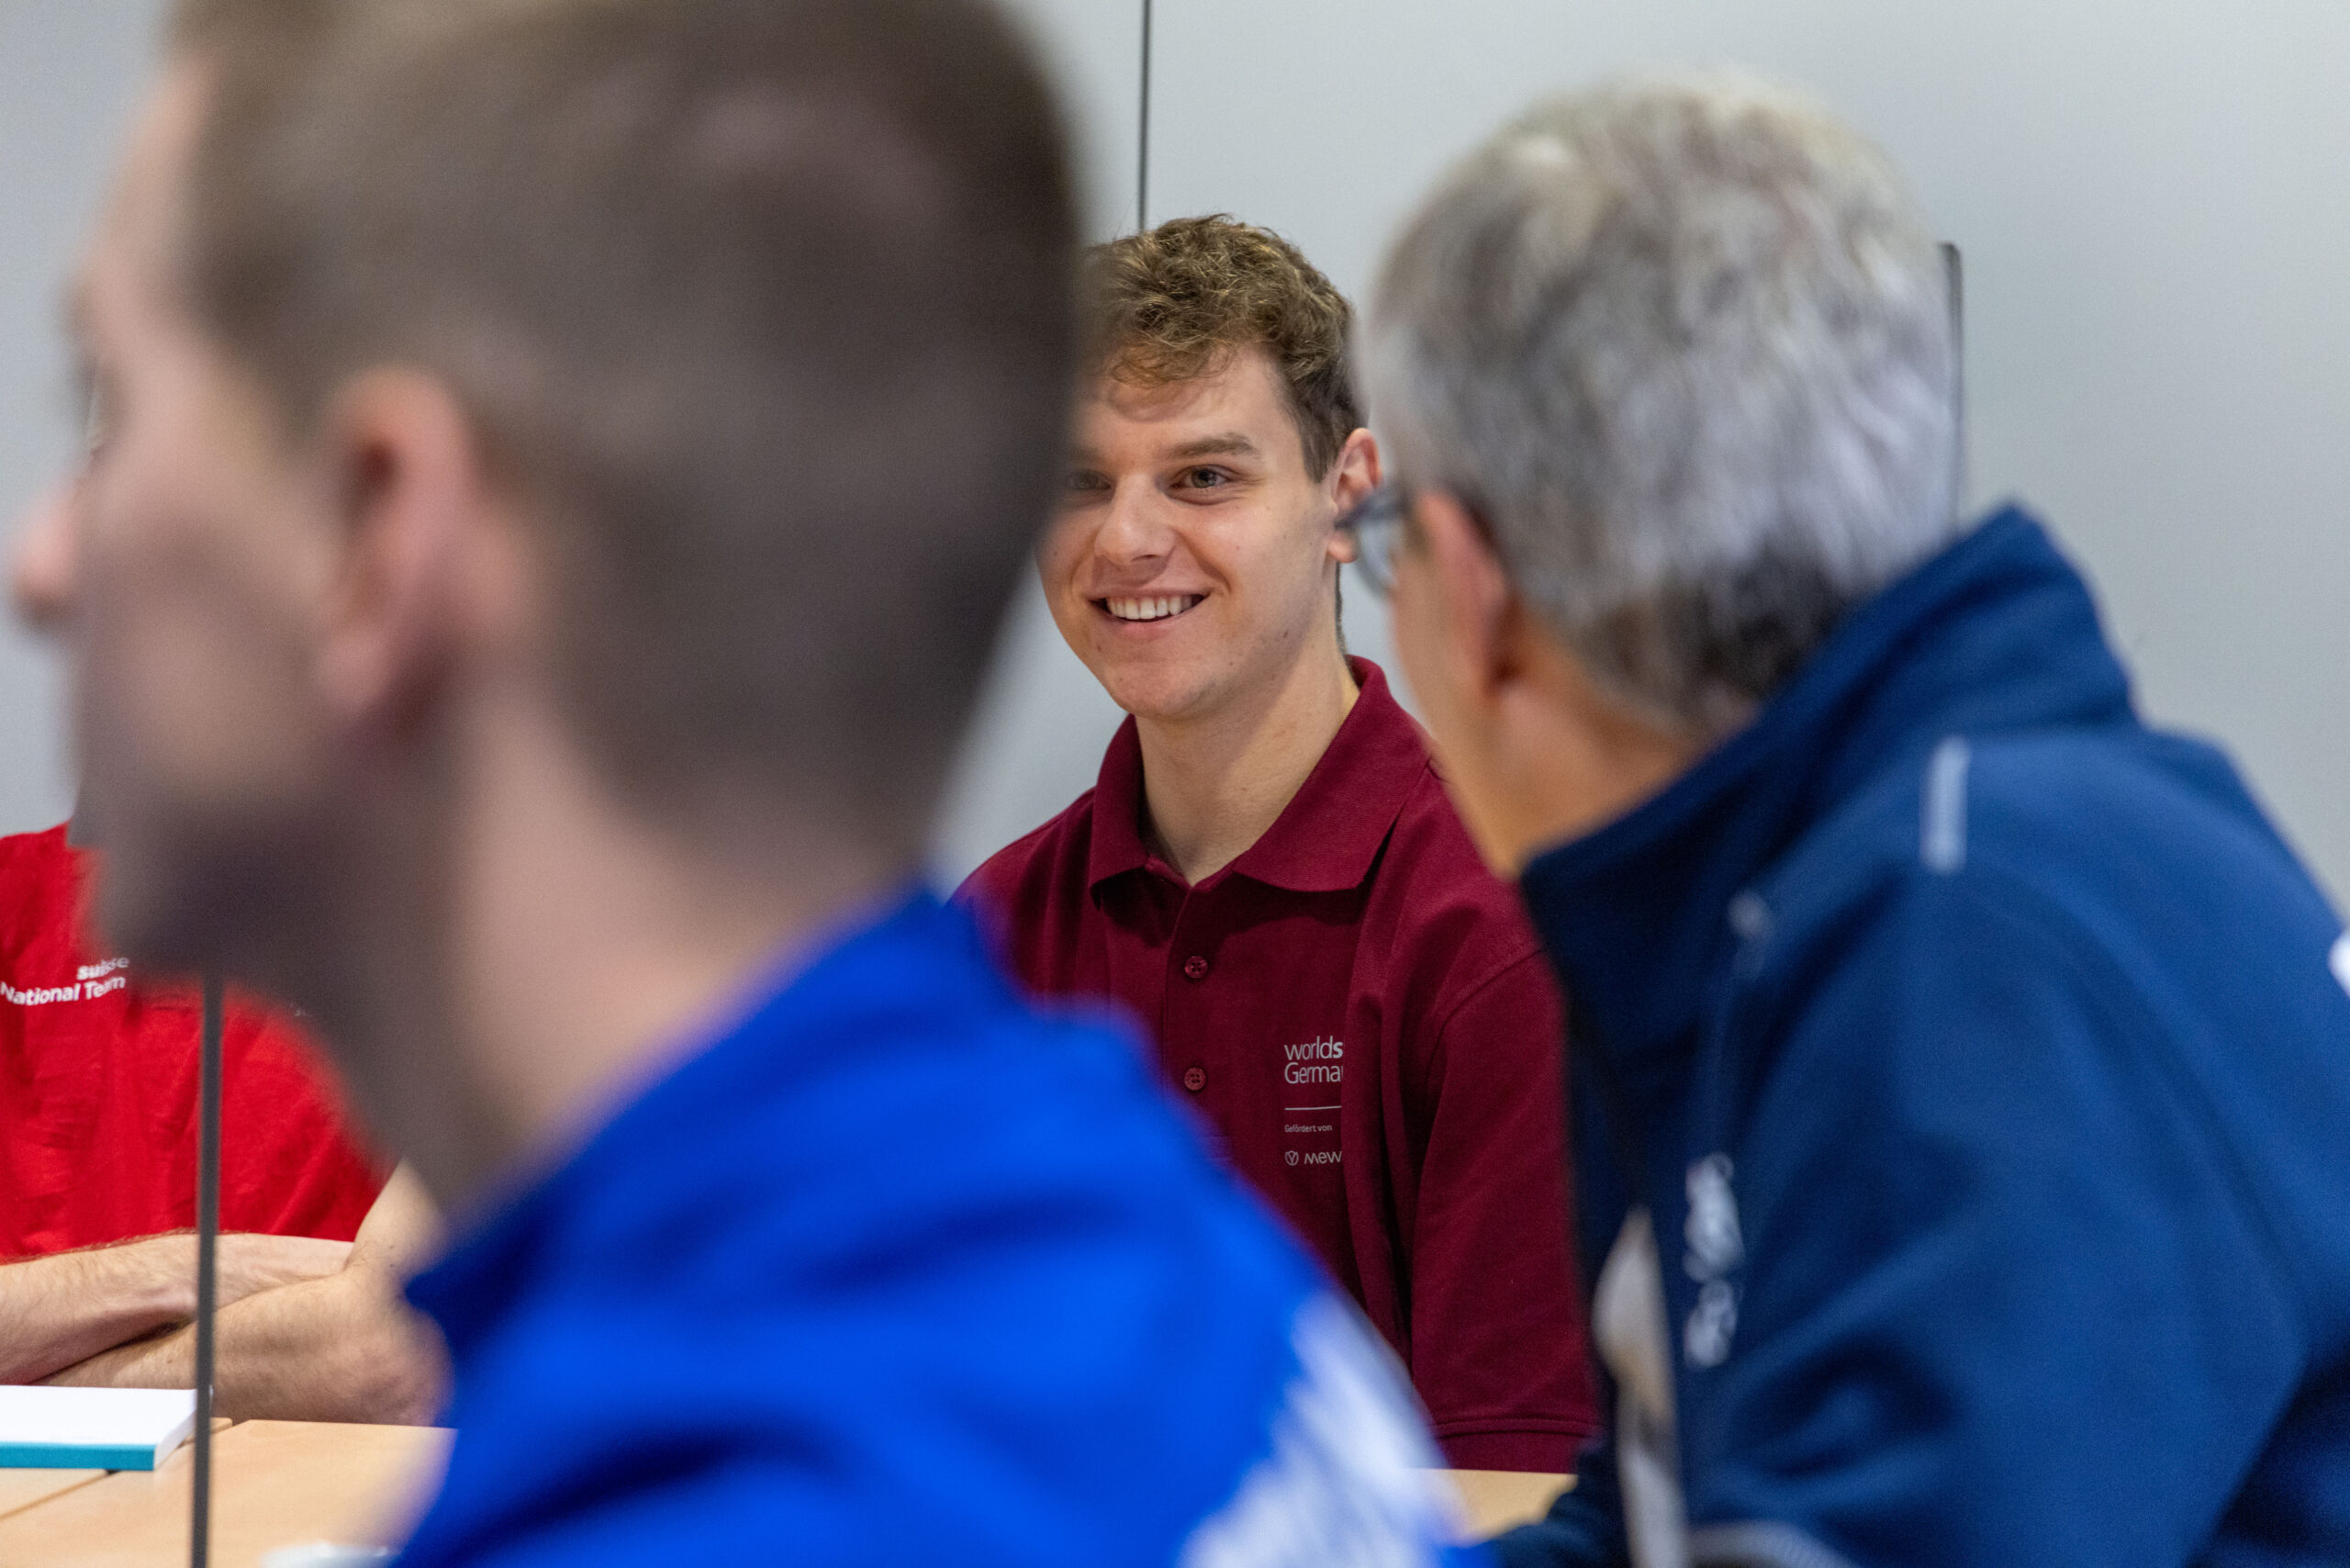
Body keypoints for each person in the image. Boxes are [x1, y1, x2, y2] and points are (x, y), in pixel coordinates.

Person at [11, 0, 1472, 1562]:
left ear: (382, 529)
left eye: (121, 401)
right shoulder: (1126, 1250)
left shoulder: (747, 1501)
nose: (44, 563)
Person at [1355, 70, 2350, 1566]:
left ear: (1472, 593)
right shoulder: (1825, 894)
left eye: (1385, 548)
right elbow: (1662, 1522)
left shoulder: (1970, 937)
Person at [962, 215, 1598, 1472]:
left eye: (1203, 477)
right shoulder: (993, 936)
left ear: (1346, 494)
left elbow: (1514, 1494)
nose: (1127, 539)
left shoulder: (1496, 933)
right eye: (1081, 482)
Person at [0, 817, 444, 1423]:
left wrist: (32, 1374)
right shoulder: (16, 896)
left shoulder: (452, 900)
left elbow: (386, 1352)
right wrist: (192, 1271)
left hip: (318, 1481)